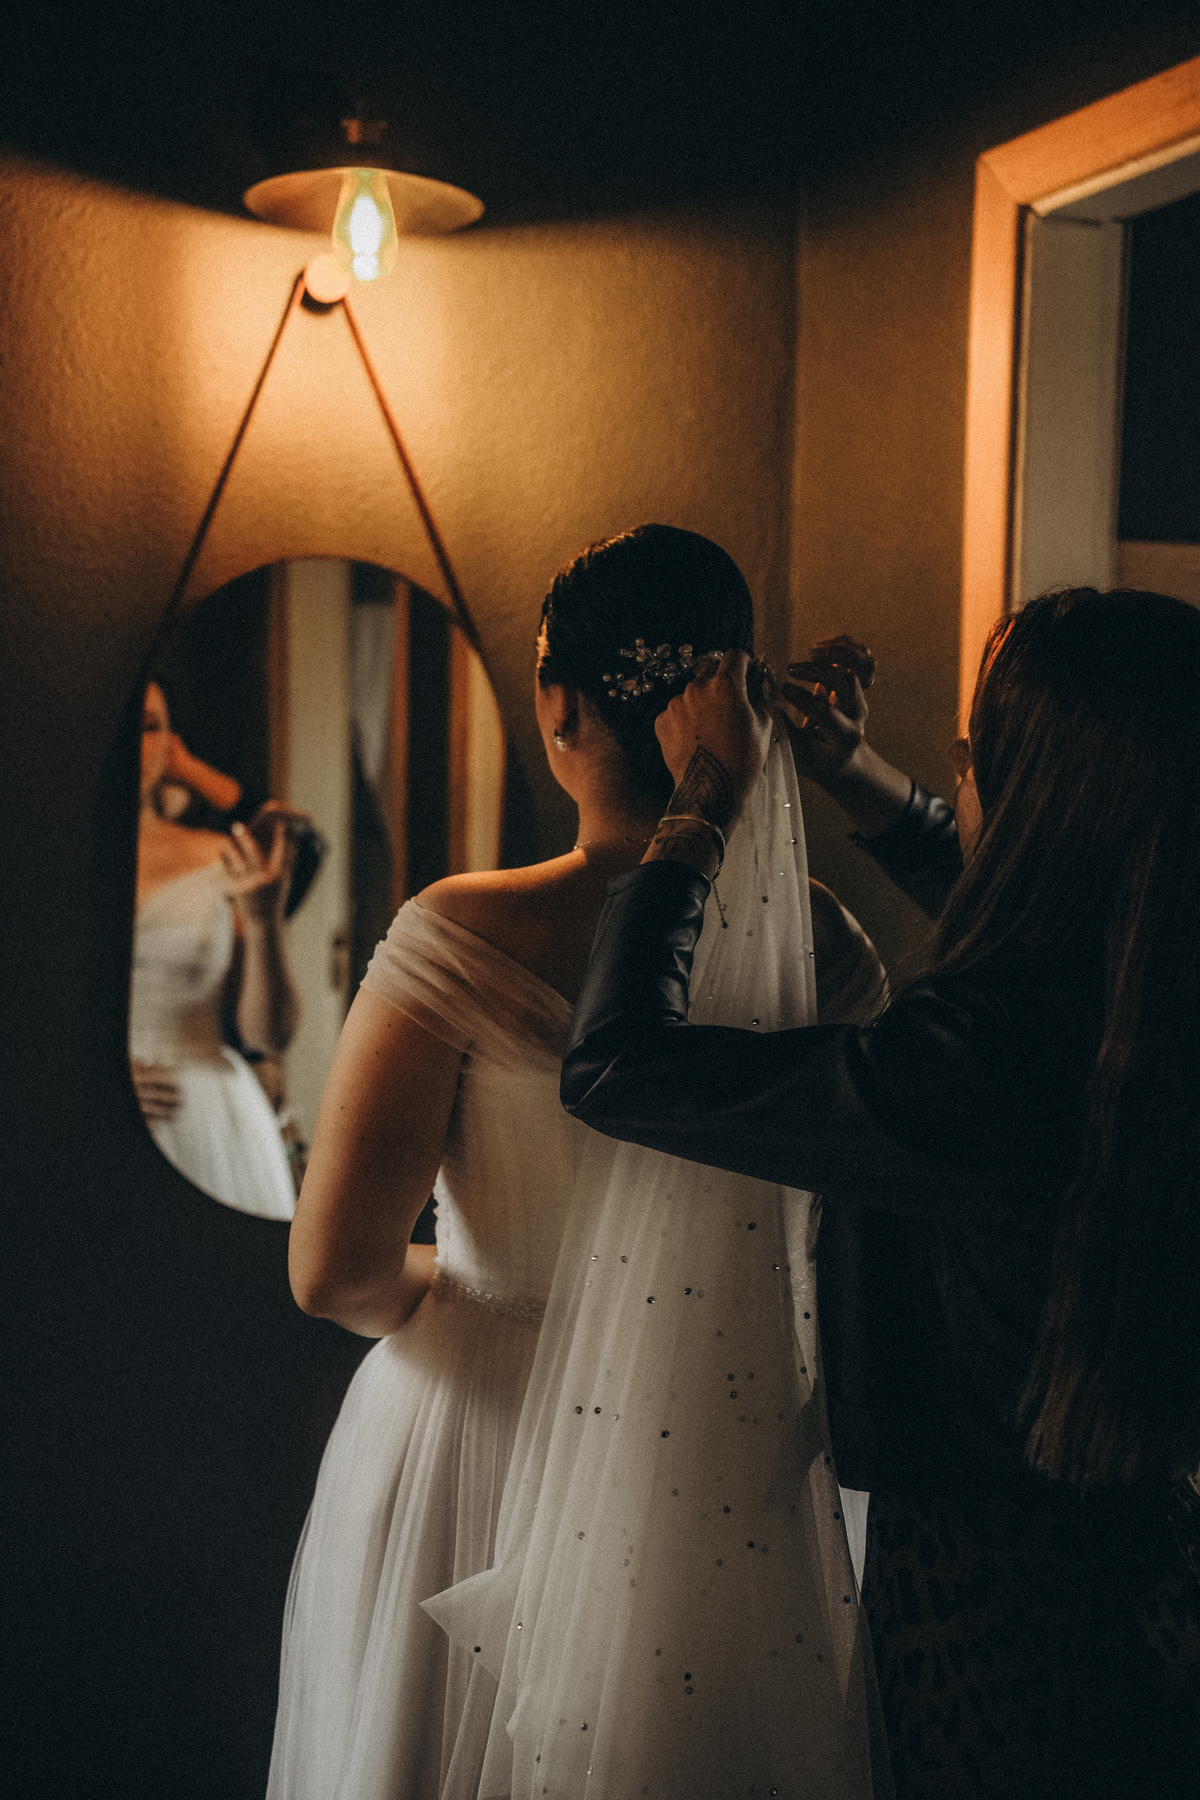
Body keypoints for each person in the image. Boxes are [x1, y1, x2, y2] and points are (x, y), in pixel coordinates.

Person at [268, 525, 886, 1800]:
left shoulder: (463, 931)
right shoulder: (826, 947)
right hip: (722, 1466)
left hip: (483, 1442)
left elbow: (335, 1274)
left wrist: (469, 1296)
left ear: (560, 706)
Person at [559, 589, 1200, 1800]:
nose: (955, 764)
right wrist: (855, 774)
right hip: (1147, 1562)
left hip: (992, 1610)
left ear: (1038, 803)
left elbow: (615, 1067)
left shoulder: (971, 1061)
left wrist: (702, 798)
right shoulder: (1141, 993)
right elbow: (1044, 917)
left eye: (976, 750)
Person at [130, 680, 300, 1220]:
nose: (136, 744)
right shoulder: (38, 858)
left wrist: (264, 925)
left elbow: (268, 1036)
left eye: (151, 727)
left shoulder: (223, 858)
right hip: (77, 1107)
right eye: (122, 726)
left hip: (201, 1108)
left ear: (171, 745)